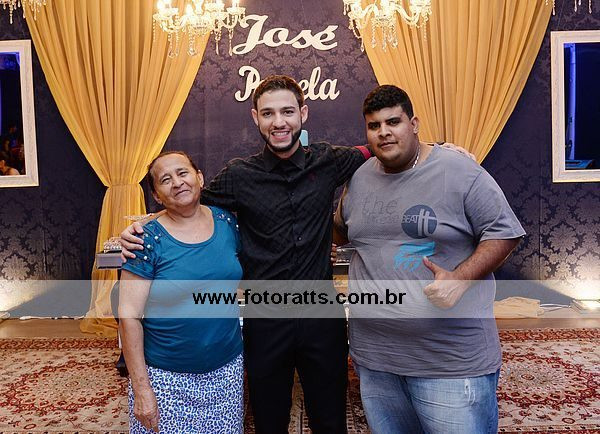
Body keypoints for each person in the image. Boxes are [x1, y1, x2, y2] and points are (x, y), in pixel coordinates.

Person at [120, 75, 472, 434]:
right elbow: (188, 201)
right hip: (265, 320)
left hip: (321, 317)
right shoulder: (239, 175)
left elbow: (381, 146)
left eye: (287, 112)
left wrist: (439, 148)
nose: (279, 122)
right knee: (268, 421)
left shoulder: (329, 160)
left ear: (302, 113)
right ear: (256, 118)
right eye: (268, 113)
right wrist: (144, 225)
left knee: (330, 420)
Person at [333, 85, 525, 434]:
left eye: (394, 122)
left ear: (414, 123)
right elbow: (342, 231)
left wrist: (461, 278)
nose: (384, 132)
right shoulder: (359, 178)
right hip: (375, 361)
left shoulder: (458, 169)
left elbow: (505, 231)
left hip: (448, 361)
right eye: (374, 125)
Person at [118, 151, 244, 433]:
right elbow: (129, 317)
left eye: (182, 173)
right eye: (165, 179)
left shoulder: (227, 223)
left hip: (226, 373)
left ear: (200, 178)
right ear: (157, 195)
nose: (177, 182)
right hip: (166, 379)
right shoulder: (145, 239)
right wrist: (141, 390)